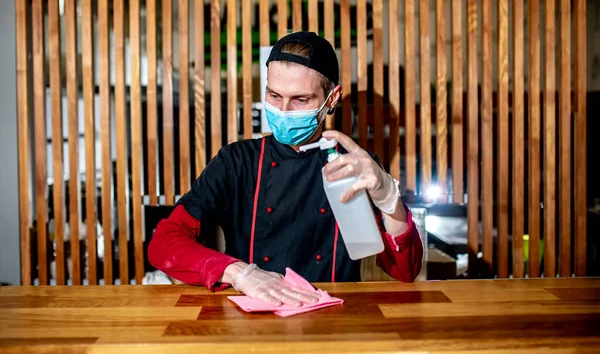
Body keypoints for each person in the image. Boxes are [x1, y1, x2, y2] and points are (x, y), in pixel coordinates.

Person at [148, 31, 423, 307]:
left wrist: (389, 198)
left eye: (301, 100)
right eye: (274, 95)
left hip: (335, 319)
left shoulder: (355, 164)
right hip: (252, 318)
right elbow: (163, 244)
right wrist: (239, 272)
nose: (283, 110)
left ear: (332, 99)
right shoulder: (237, 162)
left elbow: (405, 270)